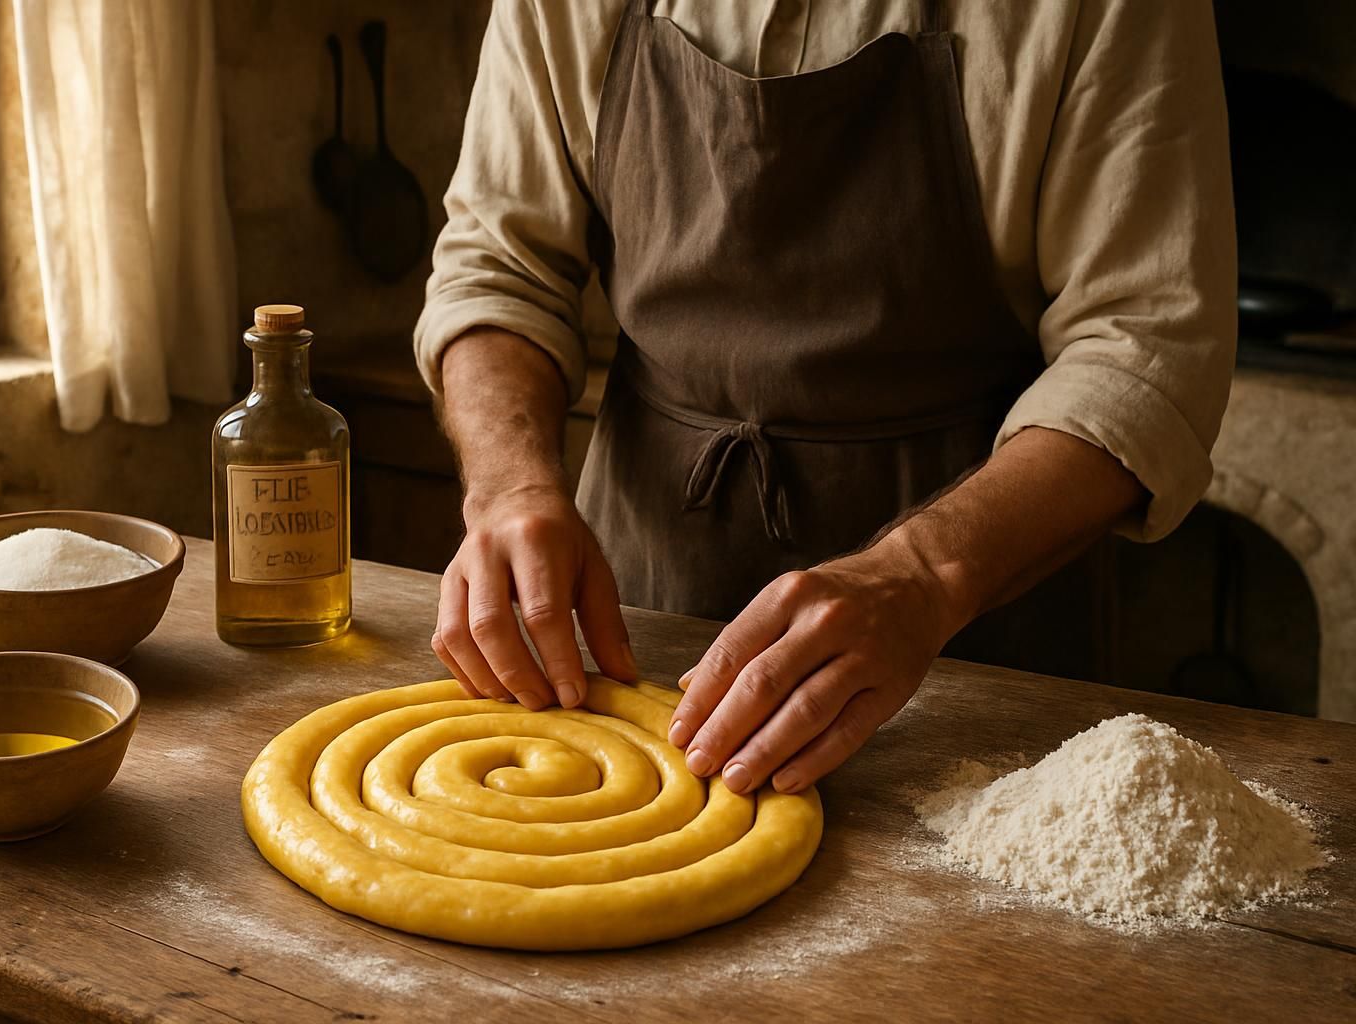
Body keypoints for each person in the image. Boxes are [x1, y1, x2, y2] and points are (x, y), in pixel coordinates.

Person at [413, 0, 1235, 797]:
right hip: (633, 620)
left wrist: (919, 578)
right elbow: (500, 268)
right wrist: (510, 485)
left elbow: (1143, 347)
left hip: (973, 647)